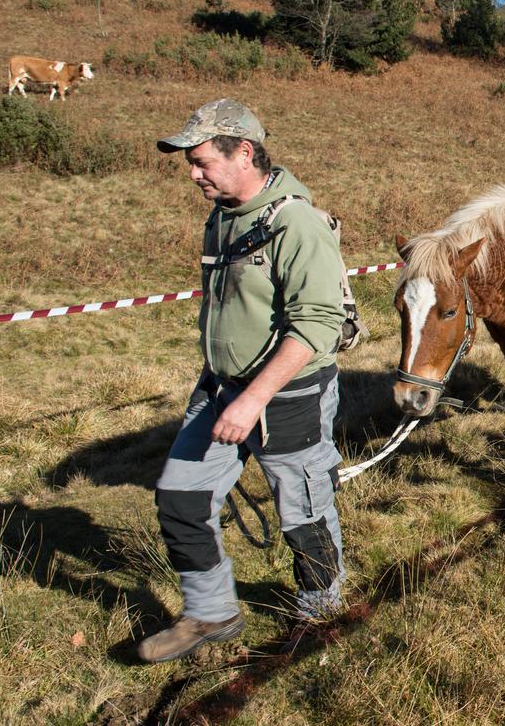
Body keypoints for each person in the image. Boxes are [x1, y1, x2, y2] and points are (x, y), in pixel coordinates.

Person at [137, 99, 348, 663]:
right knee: (179, 496)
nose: (193, 173)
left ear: (245, 152)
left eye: (202, 161)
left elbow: (318, 323)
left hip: (288, 395)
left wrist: (255, 398)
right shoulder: (224, 214)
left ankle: (319, 611)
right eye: (192, 162)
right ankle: (211, 612)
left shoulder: (296, 222)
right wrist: (226, 387)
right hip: (219, 389)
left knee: (303, 510)